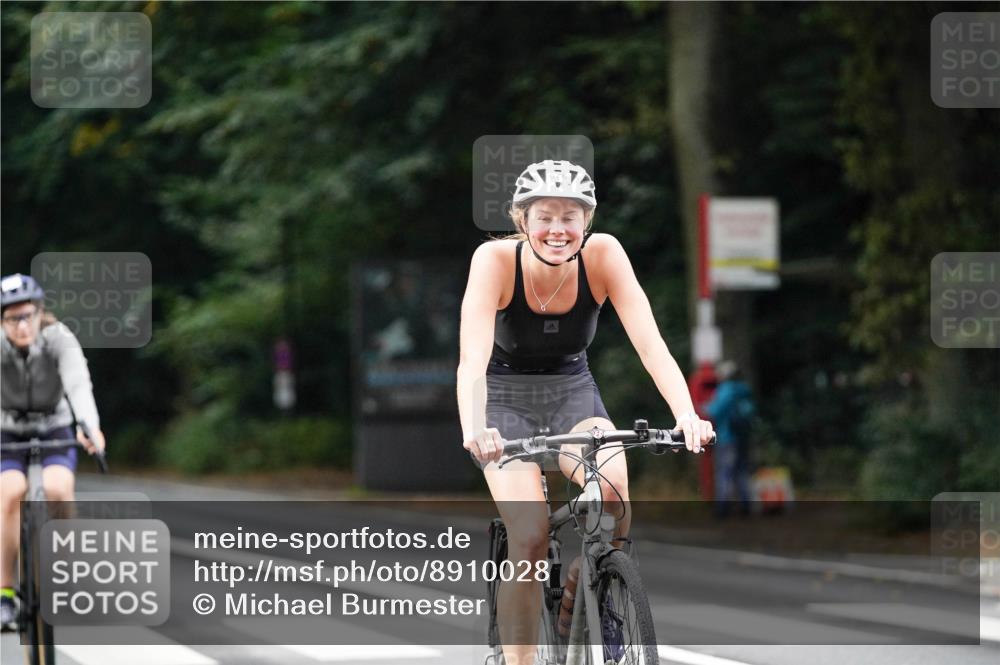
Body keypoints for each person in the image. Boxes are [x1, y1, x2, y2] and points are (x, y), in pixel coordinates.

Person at [457, 160, 714, 664]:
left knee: (614, 496)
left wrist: (686, 414)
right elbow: (472, 360)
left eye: (570, 216)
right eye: (545, 216)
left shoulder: (604, 255)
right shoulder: (493, 261)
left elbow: (651, 344)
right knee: (529, 538)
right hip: (505, 401)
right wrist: (475, 427)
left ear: (587, 221)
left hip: (573, 394)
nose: (558, 229)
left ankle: (595, 572)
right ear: (522, 220)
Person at [0, 273, 105, 631]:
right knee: (10, 493)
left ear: (40, 312)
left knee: (59, 488)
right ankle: (6, 594)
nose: (21, 325)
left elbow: (78, 384)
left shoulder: (60, 339)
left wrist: (89, 427)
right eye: (12, 318)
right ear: (2, 321)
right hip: (8, 430)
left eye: (27, 315)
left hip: (54, 426)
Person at [706, 360, 755, 518]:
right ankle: (746, 506)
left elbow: (714, 410)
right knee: (742, 472)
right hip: (743, 437)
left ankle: (723, 509)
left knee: (724, 473)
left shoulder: (726, 389)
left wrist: (699, 408)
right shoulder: (744, 390)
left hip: (727, 438)